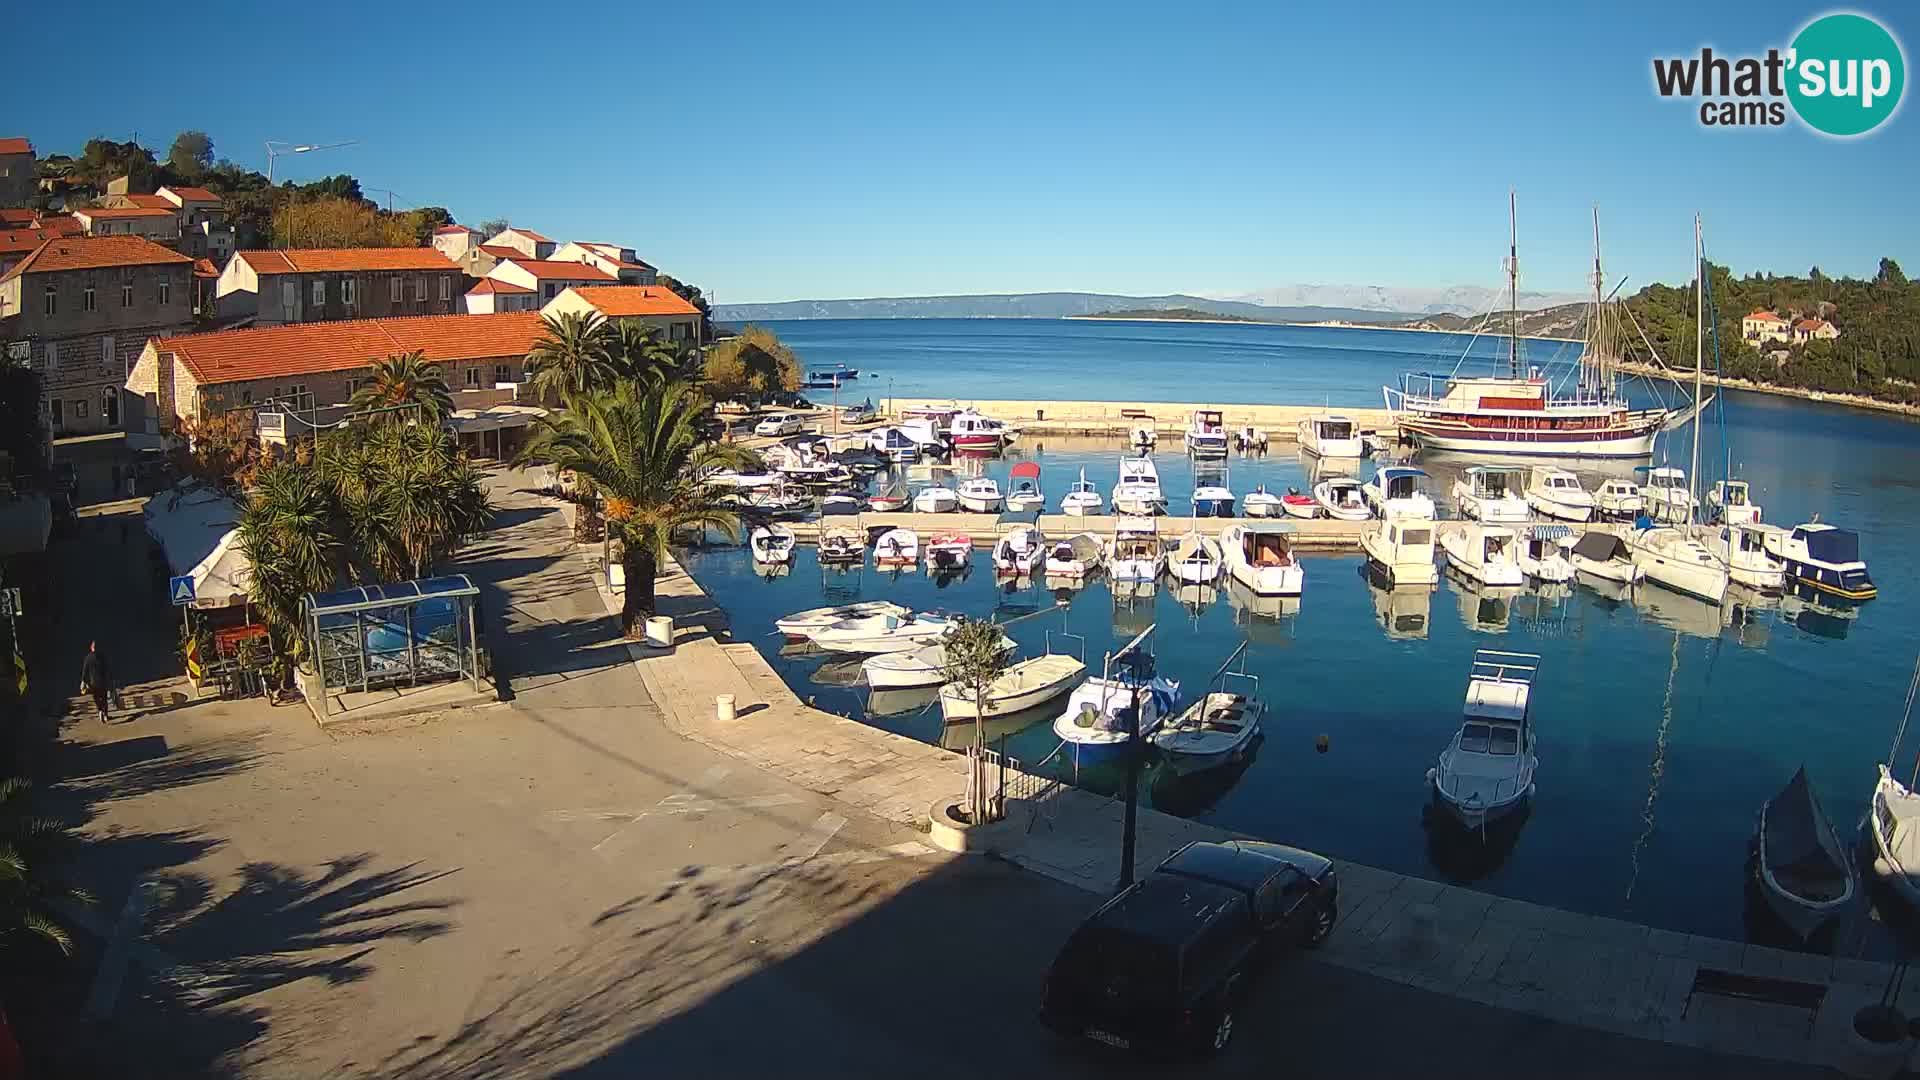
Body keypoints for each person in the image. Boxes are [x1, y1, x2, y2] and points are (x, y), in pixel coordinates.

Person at [79, 641, 112, 722]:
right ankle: (106, 715)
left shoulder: (88, 658)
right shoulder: (102, 657)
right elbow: (107, 669)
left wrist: (83, 681)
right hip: (102, 682)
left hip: (93, 683)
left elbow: (84, 671)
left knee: (96, 698)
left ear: (91, 648)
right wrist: (110, 679)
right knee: (104, 699)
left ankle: (100, 710)